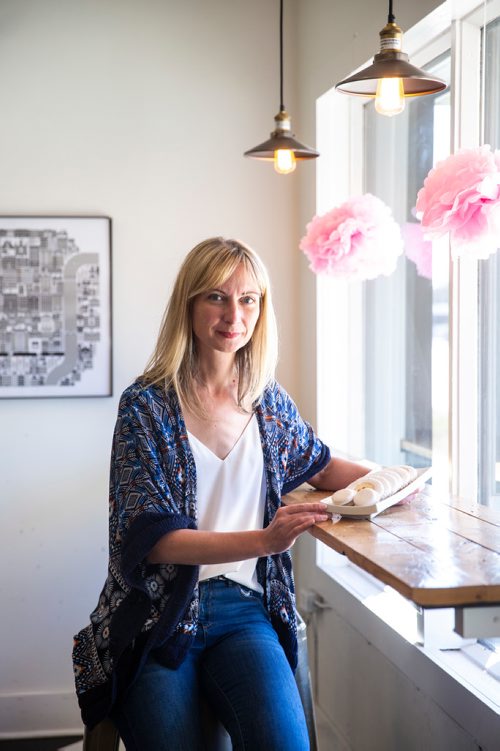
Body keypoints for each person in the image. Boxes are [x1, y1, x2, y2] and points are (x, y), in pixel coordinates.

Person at [72, 237, 370, 750]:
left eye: (249, 298)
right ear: (188, 304)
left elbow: (321, 466)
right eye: (216, 297)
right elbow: (156, 539)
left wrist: (399, 482)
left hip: (244, 610)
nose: (235, 314)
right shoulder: (146, 407)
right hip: (158, 616)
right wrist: (264, 541)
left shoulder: (267, 399)